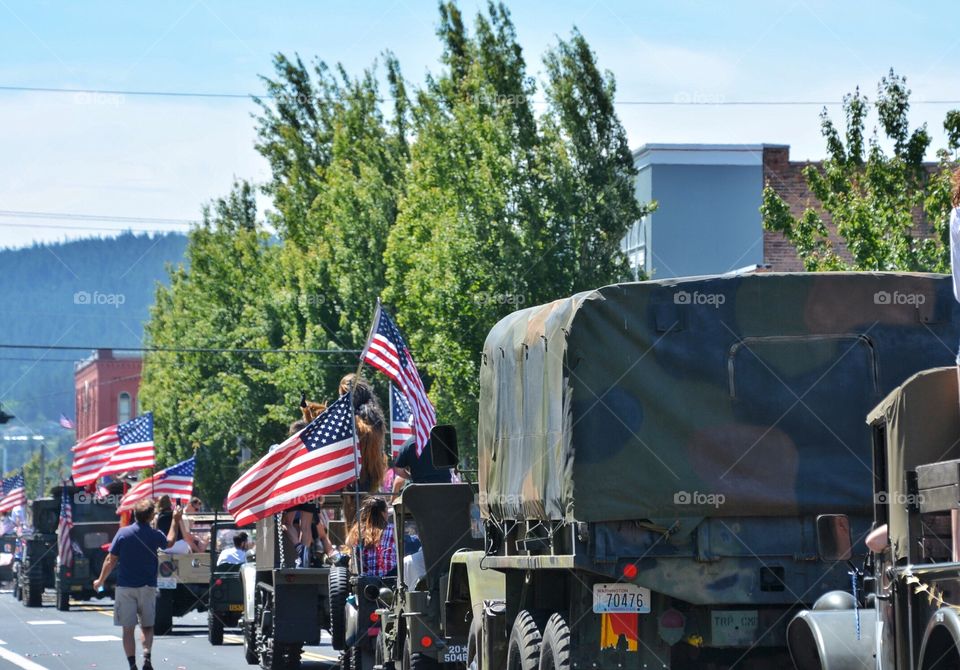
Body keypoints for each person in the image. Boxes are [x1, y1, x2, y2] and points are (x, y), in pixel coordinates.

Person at [93, 499, 180, 670]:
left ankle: (132, 664)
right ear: (150, 516)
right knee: (147, 626)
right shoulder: (154, 535)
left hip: (125, 587)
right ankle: (146, 657)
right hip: (147, 587)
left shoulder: (123, 533)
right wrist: (175, 520)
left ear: (134, 514)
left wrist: (100, 580)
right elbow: (170, 542)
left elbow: (110, 560)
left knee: (128, 629)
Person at [346, 496, 397, 577]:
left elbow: (348, 543)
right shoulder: (393, 529)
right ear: (383, 513)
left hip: (366, 580)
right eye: (387, 510)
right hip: (390, 579)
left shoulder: (358, 530)